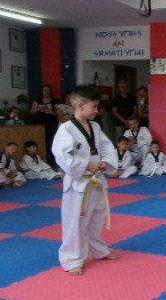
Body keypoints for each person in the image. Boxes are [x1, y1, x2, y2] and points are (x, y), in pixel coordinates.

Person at [51, 84, 119, 275]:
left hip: (96, 180)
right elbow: (61, 155)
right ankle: (72, 258)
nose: (97, 111)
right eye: (94, 107)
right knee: (75, 221)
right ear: (80, 106)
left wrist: (106, 162)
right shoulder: (66, 128)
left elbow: (106, 146)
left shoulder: (95, 126)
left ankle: (98, 250)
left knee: (96, 217)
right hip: (78, 183)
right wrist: (86, 165)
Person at [30, 84, 60, 166]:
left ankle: (52, 161)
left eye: (48, 90)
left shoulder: (55, 101)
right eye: (44, 90)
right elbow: (32, 112)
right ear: (42, 92)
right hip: (39, 125)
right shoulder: (37, 100)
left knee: (51, 142)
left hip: (51, 125)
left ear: (50, 92)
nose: (46, 92)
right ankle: (40, 160)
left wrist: (49, 111)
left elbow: (58, 113)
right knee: (40, 141)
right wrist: (38, 108)